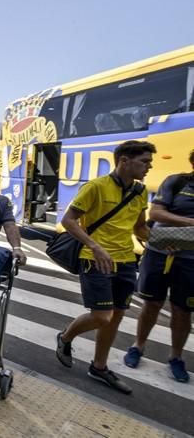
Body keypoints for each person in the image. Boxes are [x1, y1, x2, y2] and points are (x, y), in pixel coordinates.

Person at [55, 140, 155, 394]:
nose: (149, 167)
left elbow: (139, 227)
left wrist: (163, 243)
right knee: (102, 316)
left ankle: (99, 367)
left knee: (116, 316)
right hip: (94, 257)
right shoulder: (96, 187)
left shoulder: (140, 191)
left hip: (125, 261)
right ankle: (65, 337)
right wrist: (95, 246)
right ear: (124, 161)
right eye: (144, 161)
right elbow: (69, 221)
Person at [124, 149, 194, 383]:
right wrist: (188, 225)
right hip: (159, 252)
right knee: (151, 304)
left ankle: (176, 357)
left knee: (183, 311)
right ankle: (138, 346)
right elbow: (156, 212)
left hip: (190, 260)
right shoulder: (177, 181)